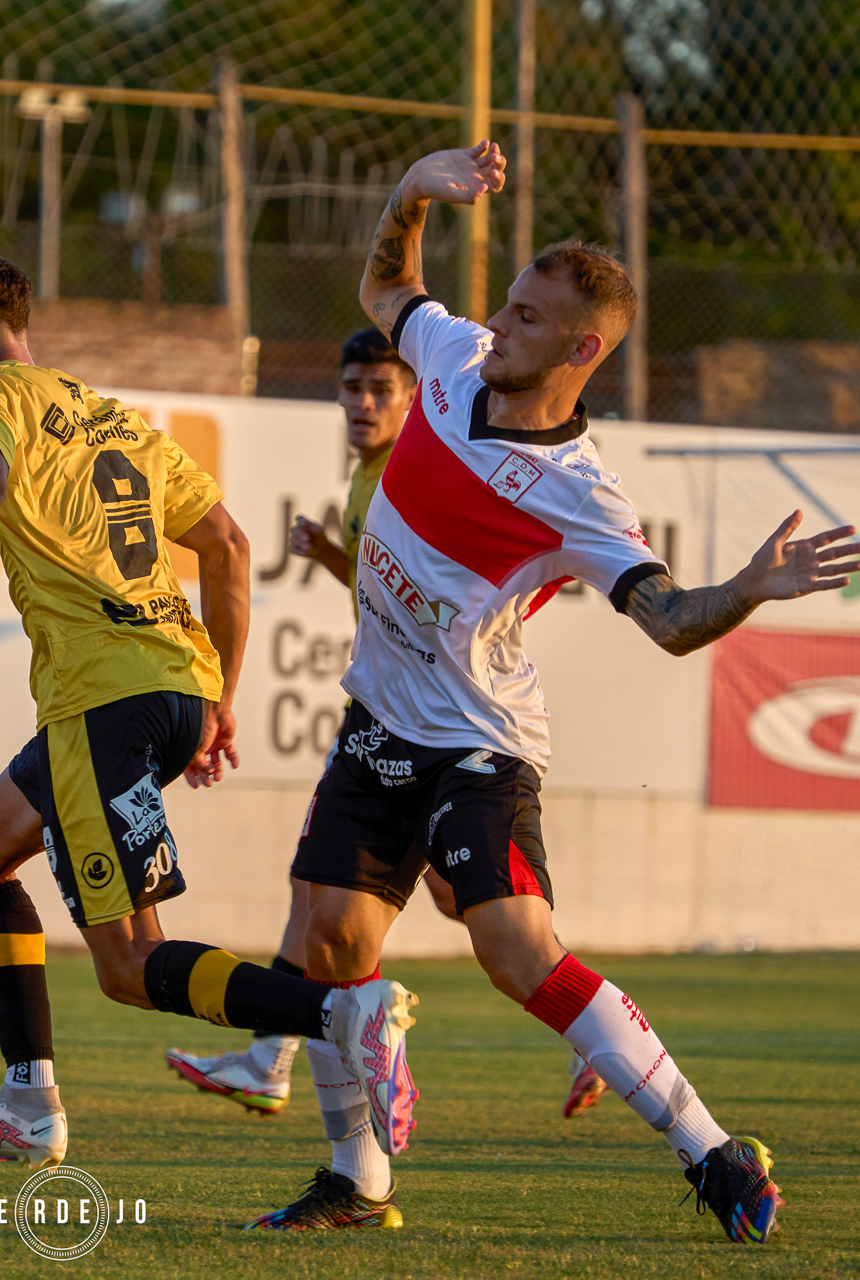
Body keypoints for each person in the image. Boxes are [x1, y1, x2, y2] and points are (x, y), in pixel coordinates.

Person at [249, 139, 857, 1240]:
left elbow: (669, 621)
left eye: (528, 318)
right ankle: (355, 1181)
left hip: (477, 742)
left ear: (580, 348)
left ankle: (712, 1152)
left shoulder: (578, 491)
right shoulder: (448, 353)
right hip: (378, 721)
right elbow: (386, 285)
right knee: (332, 943)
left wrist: (749, 588)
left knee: (516, 947)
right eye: (508, 300)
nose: (500, 323)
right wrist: (410, 196)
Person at [0, 253, 415, 1170]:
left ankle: (343, 1011)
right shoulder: (116, 419)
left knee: (131, 967)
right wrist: (217, 698)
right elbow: (227, 543)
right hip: (170, 688)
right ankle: (27, 1104)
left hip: (101, 701)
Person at [166, 331, 608, 1130]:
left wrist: (343, 558)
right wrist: (339, 558)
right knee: (379, 895)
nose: (361, 403)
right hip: (393, 708)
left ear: (414, 396)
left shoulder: (416, 472)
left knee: (378, 896)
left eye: (379, 388)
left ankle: (283, 1056)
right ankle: (279, 1056)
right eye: (351, 388)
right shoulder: (369, 478)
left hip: (432, 724)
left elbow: (451, 600)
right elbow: (393, 597)